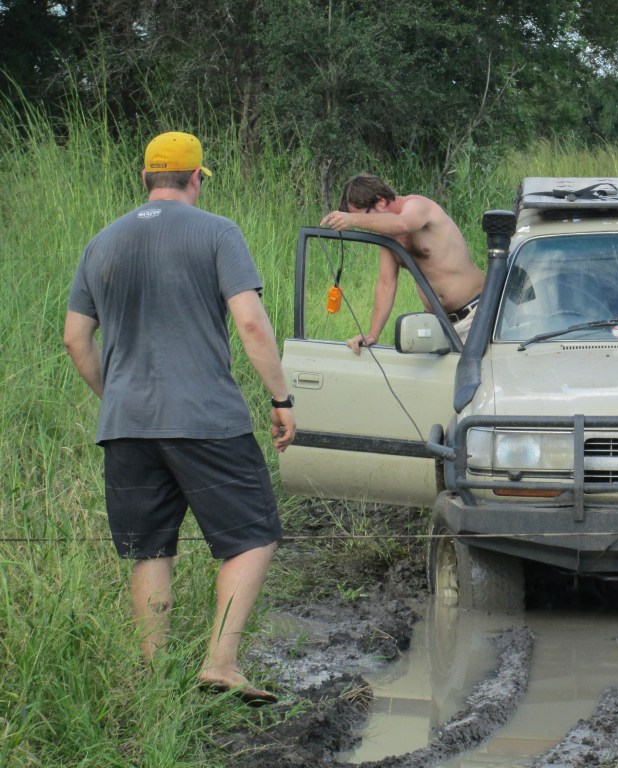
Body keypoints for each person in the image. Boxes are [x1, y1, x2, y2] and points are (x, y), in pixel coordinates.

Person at [63, 131, 295, 706]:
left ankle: (155, 673)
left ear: (145, 178)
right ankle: (220, 662)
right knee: (251, 534)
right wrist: (281, 398)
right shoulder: (217, 232)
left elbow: (75, 340)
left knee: (149, 547)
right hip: (206, 419)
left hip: (127, 424)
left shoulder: (101, 242)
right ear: (195, 179)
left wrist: (115, 395)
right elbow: (250, 322)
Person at [319, 173, 485, 352]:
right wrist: (372, 334)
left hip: (475, 316)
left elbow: (404, 223)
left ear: (381, 201)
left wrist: (353, 220)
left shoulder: (417, 205)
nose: (367, 225)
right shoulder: (388, 237)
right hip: (436, 325)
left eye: (366, 217)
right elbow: (386, 284)